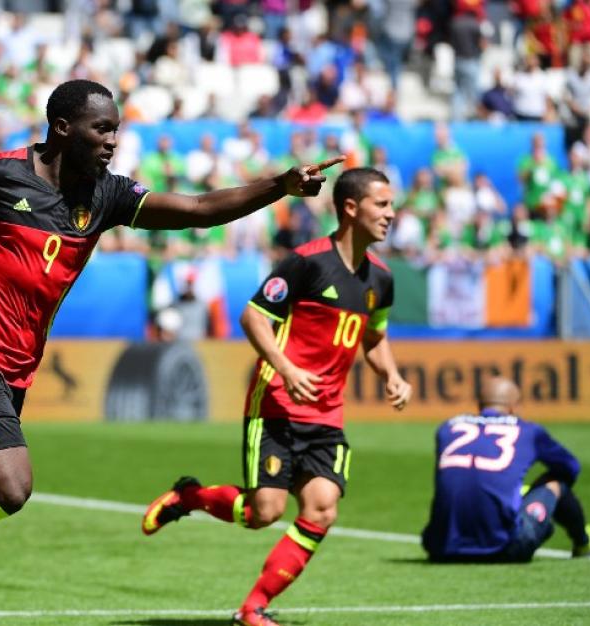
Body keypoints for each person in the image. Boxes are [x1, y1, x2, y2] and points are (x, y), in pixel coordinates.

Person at [0, 79, 344, 626]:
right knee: (10, 489)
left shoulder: (105, 195)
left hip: (14, 374)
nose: (112, 139)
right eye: (101, 128)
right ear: (63, 128)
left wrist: (279, 185)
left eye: (116, 129)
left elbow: (198, 208)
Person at [142, 167, 412, 626]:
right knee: (262, 512)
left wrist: (392, 375)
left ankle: (253, 608)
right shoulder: (307, 262)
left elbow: (374, 337)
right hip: (277, 405)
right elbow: (253, 317)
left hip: (327, 414)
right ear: (351, 208)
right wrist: (286, 369)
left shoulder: (381, 280)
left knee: (322, 510)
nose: (391, 214)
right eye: (382, 204)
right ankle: (190, 496)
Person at [421, 377, 590, 563]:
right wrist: (528, 495)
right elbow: (571, 468)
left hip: (440, 547)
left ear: (479, 404)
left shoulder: (447, 428)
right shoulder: (528, 431)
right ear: (514, 406)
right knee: (556, 483)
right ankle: (584, 542)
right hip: (506, 548)